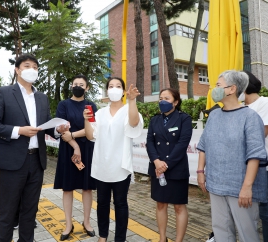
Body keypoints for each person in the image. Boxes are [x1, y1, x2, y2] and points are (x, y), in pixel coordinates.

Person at [0, 54, 67, 242]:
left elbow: (45, 126)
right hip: (13, 163)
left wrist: (57, 129)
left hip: (36, 162)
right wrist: (19, 130)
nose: (32, 69)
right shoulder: (4, 93)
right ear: (17, 70)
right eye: (27, 65)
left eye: (36, 67)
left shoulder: (42, 98)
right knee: (8, 212)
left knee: (30, 213)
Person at [197, 70, 268, 242]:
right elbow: (204, 144)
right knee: (221, 231)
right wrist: (200, 171)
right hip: (216, 184)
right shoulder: (214, 115)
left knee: (247, 234)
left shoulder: (250, 117)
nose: (215, 89)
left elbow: (255, 154)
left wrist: (247, 187)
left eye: (218, 85)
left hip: (240, 188)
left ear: (232, 89)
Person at [84, 77, 143, 242]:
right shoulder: (100, 113)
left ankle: (120, 238)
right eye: (111, 86)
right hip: (102, 166)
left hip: (121, 166)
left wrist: (132, 101)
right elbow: (90, 135)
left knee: (120, 204)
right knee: (102, 203)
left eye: (118, 86)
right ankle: (103, 235)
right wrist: (86, 119)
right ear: (107, 91)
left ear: (124, 91)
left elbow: (133, 123)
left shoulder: (128, 109)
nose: (114, 88)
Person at [146, 88, 192, 242]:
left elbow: (182, 143)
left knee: (179, 206)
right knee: (160, 204)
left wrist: (166, 164)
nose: (162, 101)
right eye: (160, 98)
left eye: (166, 98)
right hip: (158, 168)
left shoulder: (184, 118)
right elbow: (150, 142)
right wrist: (157, 162)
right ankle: (162, 238)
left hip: (176, 168)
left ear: (176, 101)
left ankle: (178, 240)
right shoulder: (154, 120)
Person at [54, 74, 97, 240]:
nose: (78, 86)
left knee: (87, 187)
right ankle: (68, 224)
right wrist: (75, 146)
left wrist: (73, 135)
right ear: (71, 87)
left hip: (88, 149)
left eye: (81, 84)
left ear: (87, 88)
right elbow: (61, 128)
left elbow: (91, 130)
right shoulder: (63, 104)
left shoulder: (91, 105)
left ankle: (86, 222)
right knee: (68, 188)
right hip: (68, 149)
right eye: (75, 84)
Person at [241, 71, 268, 241]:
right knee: (251, 212)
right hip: (248, 168)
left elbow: (262, 133)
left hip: (266, 167)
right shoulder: (243, 107)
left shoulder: (264, 102)